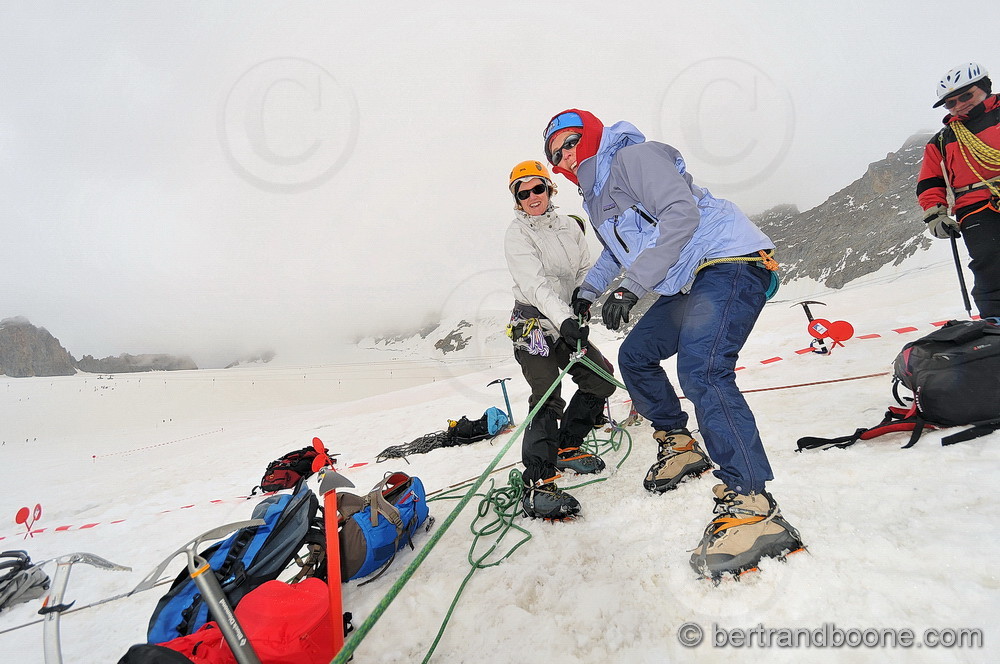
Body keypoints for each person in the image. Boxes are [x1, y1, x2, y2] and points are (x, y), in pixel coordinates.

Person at [542, 109, 803, 578]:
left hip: (728, 258)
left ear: (593, 133)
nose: (566, 153)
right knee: (635, 355)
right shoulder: (597, 196)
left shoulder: (632, 159)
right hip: (689, 281)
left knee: (703, 370)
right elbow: (615, 250)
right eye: (556, 152)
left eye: (572, 139)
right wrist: (588, 291)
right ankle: (680, 445)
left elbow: (681, 214)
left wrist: (631, 287)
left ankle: (753, 506)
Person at [503, 159, 617, 520]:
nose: (532, 196)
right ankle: (538, 483)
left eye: (538, 188)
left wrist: (583, 301)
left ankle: (566, 447)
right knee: (547, 395)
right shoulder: (517, 234)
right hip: (533, 323)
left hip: (566, 318)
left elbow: (583, 270)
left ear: (550, 189)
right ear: (517, 200)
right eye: (524, 193)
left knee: (600, 379)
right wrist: (566, 318)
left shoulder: (569, 227)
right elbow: (535, 285)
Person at [917, 62, 1000, 323]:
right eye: (951, 103)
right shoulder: (941, 141)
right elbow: (930, 182)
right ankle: (995, 321)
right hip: (975, 208)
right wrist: (935, 215)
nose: (960, 105)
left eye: (966, 95)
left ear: (985, 87)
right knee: (988, 262)